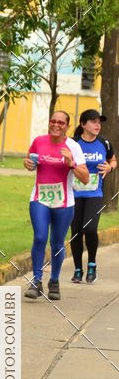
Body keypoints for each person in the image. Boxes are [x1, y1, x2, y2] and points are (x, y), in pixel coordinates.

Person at [23, 111, 89, 301]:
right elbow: (30, 161)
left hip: (63, 202)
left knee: (57, 243)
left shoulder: (73, 147)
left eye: (61, 122)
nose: (56, 125)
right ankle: (36, 281)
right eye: (53, 121)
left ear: (67, 126)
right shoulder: (39, 141)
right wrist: (28, 164)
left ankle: (54, 281)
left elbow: (85, 178)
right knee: (40, 237)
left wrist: (71, 163)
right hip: (40, 198)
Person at [69, 109, 117, 284]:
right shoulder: (73, 143)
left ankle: (91, 264)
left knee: (89, 229)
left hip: (95, 194)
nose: (98, 125)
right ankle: (77, 269)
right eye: (93, 121)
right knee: (76, 232)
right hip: (74, 193)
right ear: (83, 124)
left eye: (99, 122)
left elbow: (113, 160)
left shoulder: (104, 143)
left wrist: (110, 167)